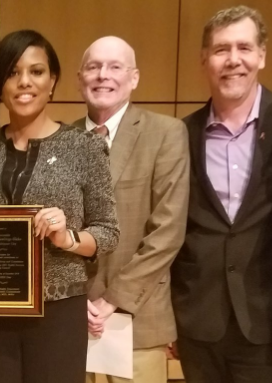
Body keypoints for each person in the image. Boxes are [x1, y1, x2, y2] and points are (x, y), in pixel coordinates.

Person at [170, 6, 272, 383]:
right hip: (197, 320)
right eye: (221, 49)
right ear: (205, 58)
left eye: (244, 47)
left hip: (268, 318)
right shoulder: (179, 134)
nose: (233, 60)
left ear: (262, 55)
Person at [0, 29, 119, 383]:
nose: (24, 82)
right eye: (12, 73)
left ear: (52, 81)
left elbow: (108, 232)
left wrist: (68, 239)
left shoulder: (85, 148)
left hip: (58, 313)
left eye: (36, 71)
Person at [76, 36, 189, 383]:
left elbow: (167, 232)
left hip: (138, 319)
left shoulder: (166, 133)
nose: (102, 75)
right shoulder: (62, 141)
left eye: (114, 67)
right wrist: (74, 299)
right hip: (73, 321)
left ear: (134, 77)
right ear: (80, 78)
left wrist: (112, 300)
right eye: (93, 67)